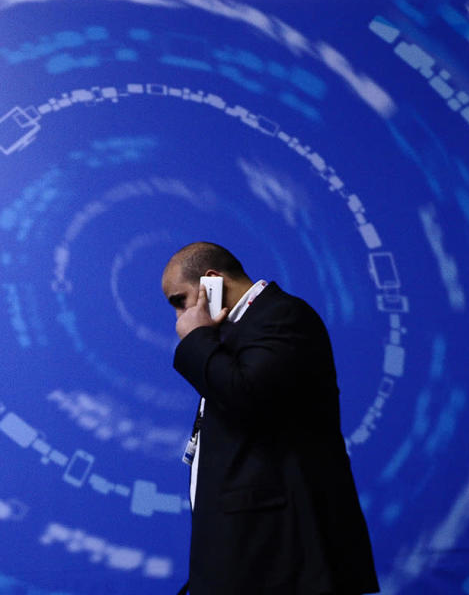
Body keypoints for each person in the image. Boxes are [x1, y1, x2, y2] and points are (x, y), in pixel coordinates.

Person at [161, 242, 379, 595]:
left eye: (180, 300)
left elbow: (246, 396)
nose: (179, 318)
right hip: (250, 561)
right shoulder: (235, 337)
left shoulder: (283, 316)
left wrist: (198, 338)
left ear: (211, 282)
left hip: (284, 561)